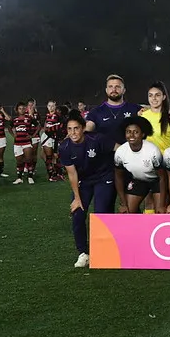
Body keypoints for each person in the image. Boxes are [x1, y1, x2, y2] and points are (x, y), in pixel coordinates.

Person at [58, 110, 119, 268]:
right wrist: (77, 198)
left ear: (83, 128)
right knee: (77, 213)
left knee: (100, 213)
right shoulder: (64, 147)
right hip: (83, 182)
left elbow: (120, 149)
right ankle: (83, 253)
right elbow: (72, 174)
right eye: (70, 129)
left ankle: (103, 252)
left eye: (76, 128)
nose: (73, 132)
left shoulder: (97, 139)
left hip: (103, 177)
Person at [113, 116, 167, 213]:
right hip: (139, 180)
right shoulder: (120, 152)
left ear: (143, 134)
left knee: (160, 213)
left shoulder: (153, 151)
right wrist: (123, 203)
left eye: (136, 132)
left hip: (157, 181)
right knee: (127, 212)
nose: (131, 135)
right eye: (128, 132)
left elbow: (163, 177)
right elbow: (118, 177)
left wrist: (162, 205)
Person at [85, 74, 143, 144]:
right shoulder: (96, 112)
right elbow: (87, 130)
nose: (113, 89)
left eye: (117, 87)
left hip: (129, 153)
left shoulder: (135, 109)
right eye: (110, 87)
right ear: (106, 90)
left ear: (124, 90)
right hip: (104, 154)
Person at [140, 81, 170, 153]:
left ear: (163, 97)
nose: (154, 98)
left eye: (157, 95)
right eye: (150, 95)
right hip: (145, 158)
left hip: (165, 158)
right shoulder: (142, 115)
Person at [9, 102, 38, 184]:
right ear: (17, 110)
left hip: (27, 143)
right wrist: (13, 135)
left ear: (25, 109)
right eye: (20, 108)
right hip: (17, 143)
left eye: (23, 108)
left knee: (29, 160)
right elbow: (9, 128)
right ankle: (19, 178)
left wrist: (32, 135)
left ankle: (30, 177)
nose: (21, 110)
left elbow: (38, 126)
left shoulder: (29, 118)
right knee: (19, 162)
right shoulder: (15, 120)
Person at [41, 100, 63, 181]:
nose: (51, 107)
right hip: (47, 137)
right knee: (47, 156)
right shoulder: (47, 115)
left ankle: (56, 174)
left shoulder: (58, 116)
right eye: (49, 106)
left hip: (54, 138)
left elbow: (59, 128)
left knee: (55, 157)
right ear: (47, 107)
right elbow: (45, 126)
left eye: (53, 106)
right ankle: (52, 175)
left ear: (55, 107)